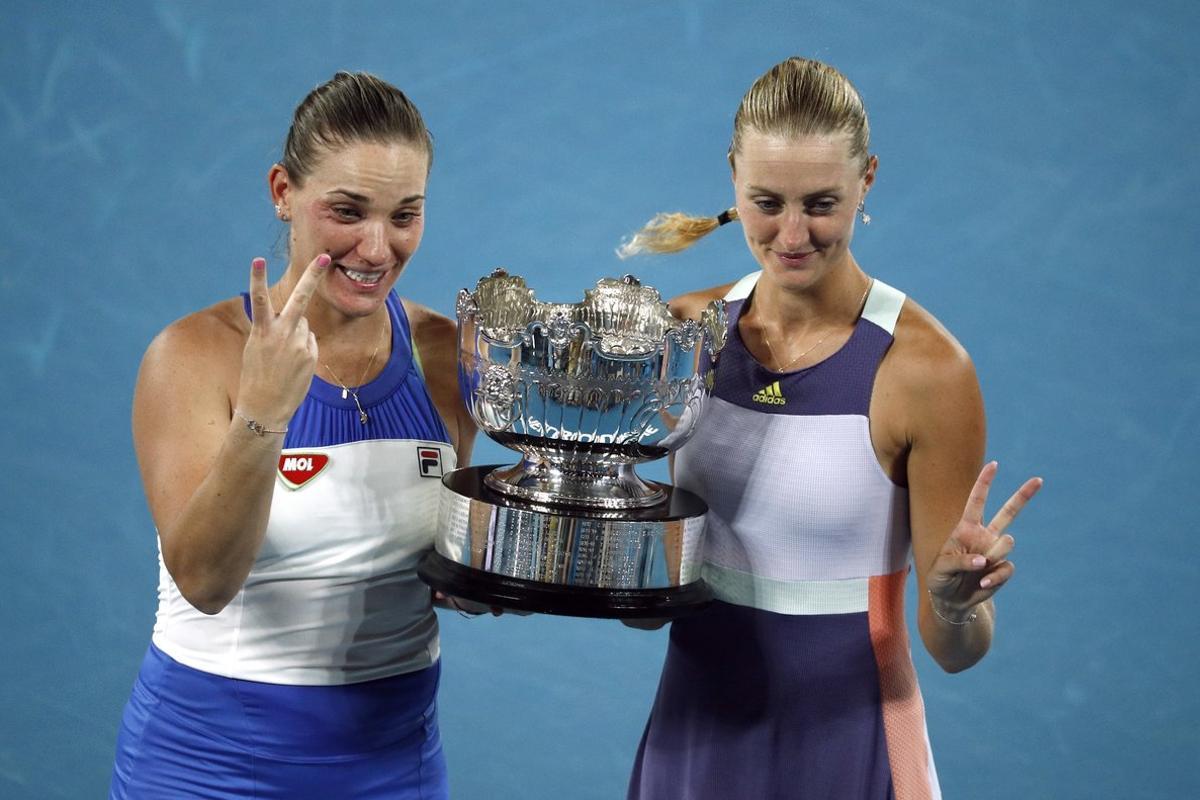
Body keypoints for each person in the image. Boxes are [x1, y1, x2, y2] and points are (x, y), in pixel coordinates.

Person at [618, 57, 1043, 800]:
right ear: (732, 179)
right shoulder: (684, 333)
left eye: (821, 203)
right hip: (696, 743)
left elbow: (955, 650)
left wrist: (952, 606)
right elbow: (652, 606)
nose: (791, 235)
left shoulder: (926, 373)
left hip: (854, 754)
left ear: (867, 180)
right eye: (766, 202)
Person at [109, 72, 476, 799]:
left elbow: (430, 563)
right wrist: (265, 412)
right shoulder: (191, 356)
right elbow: (206, 581)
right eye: (347, 211)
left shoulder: (449, 352)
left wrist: (476, 573)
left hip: (396, 768)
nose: (377, 249)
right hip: (207, 771)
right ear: (283, 192)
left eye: (405, 215)